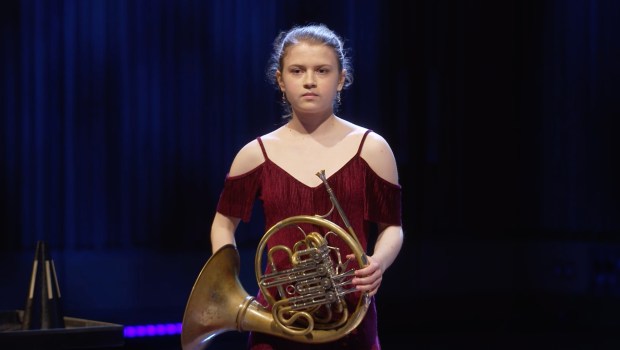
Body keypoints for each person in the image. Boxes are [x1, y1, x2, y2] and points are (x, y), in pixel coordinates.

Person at [210, 23, 404, 349]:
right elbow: (222, 224)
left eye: (322, 70)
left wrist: (378, 262)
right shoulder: (255, 154)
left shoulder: (373, 148)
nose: (310, 80)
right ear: (280, 81)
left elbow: (393, 227)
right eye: (297, 70)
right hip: (278, 317)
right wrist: (229, 284)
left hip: (350, 316)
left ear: (342, 79)